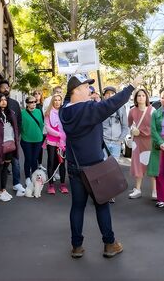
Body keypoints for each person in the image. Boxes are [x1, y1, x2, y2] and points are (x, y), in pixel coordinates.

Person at [59, 74, 137, 258]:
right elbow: (112, 104)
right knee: (102, 205)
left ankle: (76, 247)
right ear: (75, 91)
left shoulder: (64, 110)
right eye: (86, 87)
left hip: (74, 165)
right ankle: (110, 244)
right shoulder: (88, 109)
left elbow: (69, 101)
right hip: (94, 167)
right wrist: (131, 86)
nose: (90, 90)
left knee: (77, 207)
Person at [0, 79, 24, 195]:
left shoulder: (12, 108)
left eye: (8, 87)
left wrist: (15, 138)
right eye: (3, 87)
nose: (6, 89)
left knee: (11, 164)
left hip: (11, 144)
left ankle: (9, 187)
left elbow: (18, 122)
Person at [128, 88, 156, 200]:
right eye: (139, 95)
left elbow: (156, 127)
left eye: (143, 95)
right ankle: (137, 189)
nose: (141, 97)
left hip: (150, 141)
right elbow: (129, 124)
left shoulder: (152, 110)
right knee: (137, 165)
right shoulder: (132, 111)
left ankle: (155, 190)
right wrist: (132, 130)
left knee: (152, 165)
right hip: (137, 142)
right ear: (135, 98)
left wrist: (142, 132)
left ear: (146, 97)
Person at [43, 94, 68, 194]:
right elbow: (48, 128)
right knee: (51, 162)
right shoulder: (48, 113)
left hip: (62, 142)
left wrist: (63, 136)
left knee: (61, 163)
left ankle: (62, 184)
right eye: (55, 100)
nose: (57, 102)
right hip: (52, 141)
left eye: (59, 100)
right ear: (52, 101)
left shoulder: (64, 113)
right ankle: (51, 185)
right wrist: (59, 134)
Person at [21, 96, 44, 186]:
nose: (33, 103)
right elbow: (21, 126)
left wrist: (39, 134)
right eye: (31, 102)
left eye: (35, 102)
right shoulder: (22, 113)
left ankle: (35, 178)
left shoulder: (38, 111)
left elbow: (41, 124)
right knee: (28, 159)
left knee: (34, 160)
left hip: (38, 139)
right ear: (27, 103)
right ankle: (27, 178)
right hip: (26, 140)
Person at [102, 86, 128, 160]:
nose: (110, 95)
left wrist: (119, 140)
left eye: (112, 93)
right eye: (107, 93)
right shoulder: (100, 107)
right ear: (104, 95)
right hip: (104, 143)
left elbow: (125, 126)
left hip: (116, 142)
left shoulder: (121, 107)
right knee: (103, 166)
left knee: (114, 167)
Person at [32, 90, 46, 171]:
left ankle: (39, 164)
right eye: (35, 94)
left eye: (39, 94)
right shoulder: (30, 106)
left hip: (41, 130)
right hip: (33, 130)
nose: (37, 95)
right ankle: (33, 164)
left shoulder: (42, 106)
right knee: (33, 148)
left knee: (40, 148)